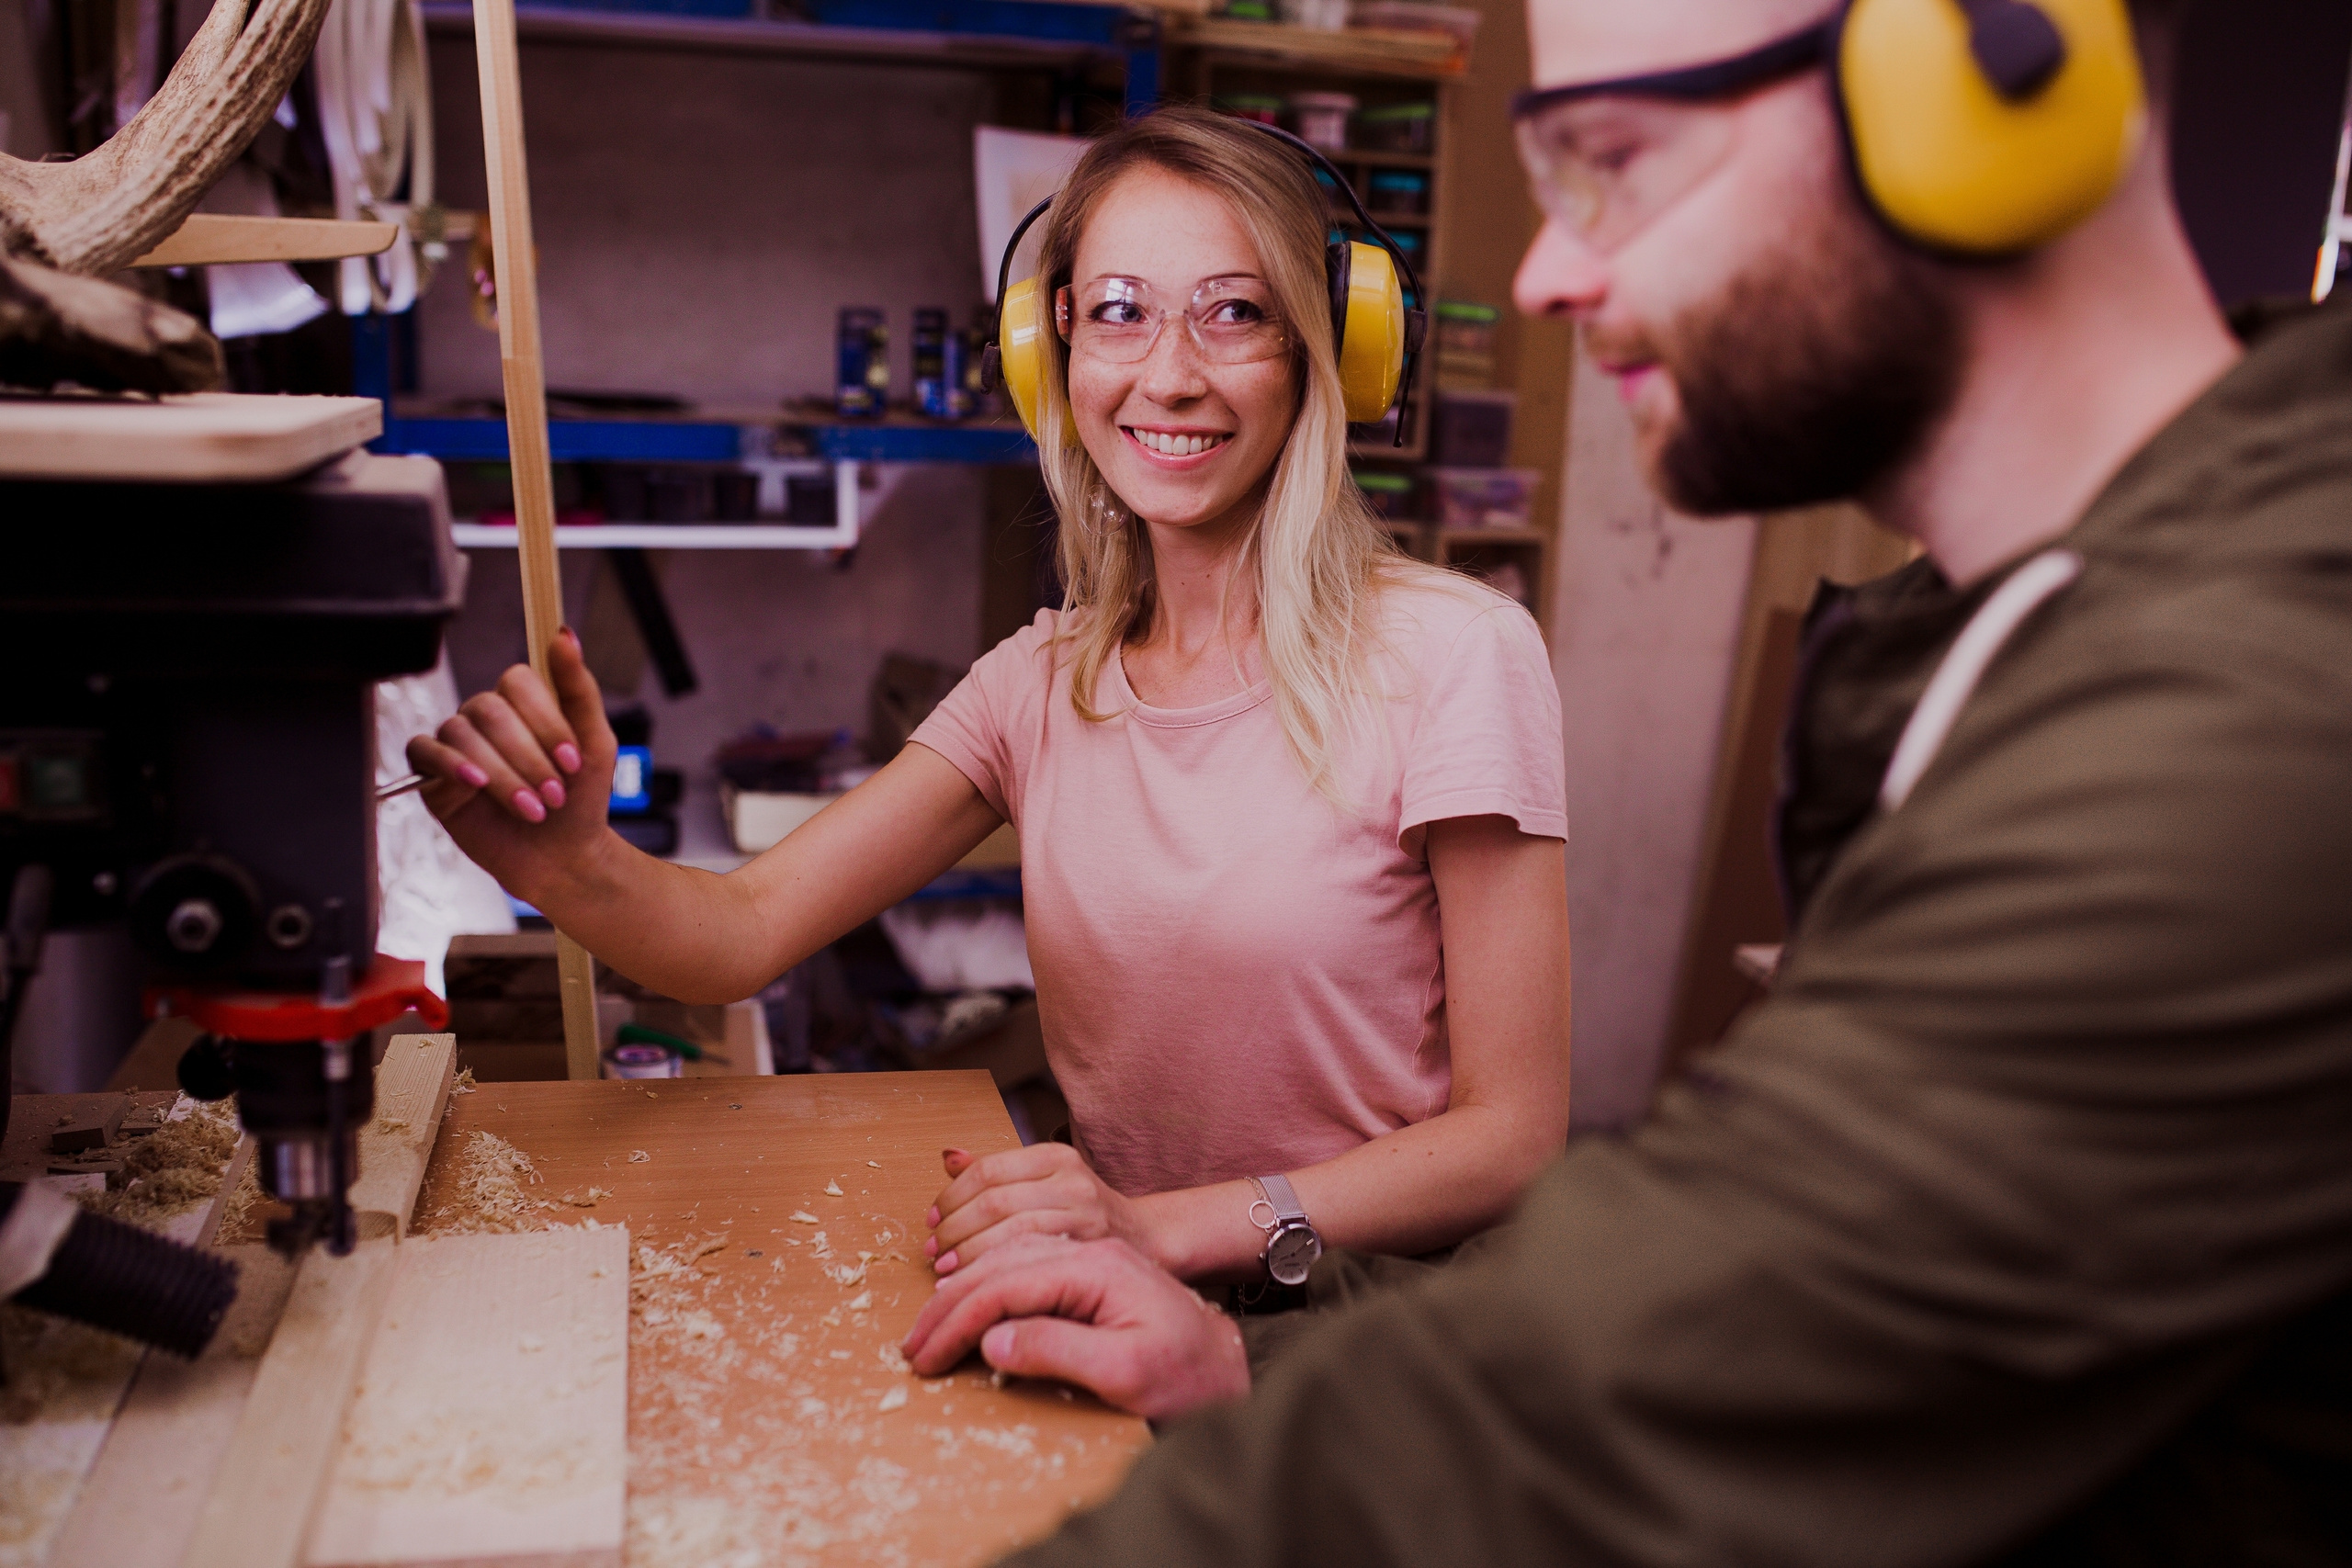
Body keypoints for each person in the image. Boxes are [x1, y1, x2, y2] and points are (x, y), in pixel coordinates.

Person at [896, 0, 2352, 1558]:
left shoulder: (2247, 712)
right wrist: (1242, 1352)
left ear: (1989, 89)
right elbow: (1776, 1310)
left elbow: (1657, 1395)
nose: (1547, 274)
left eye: (1616, 161)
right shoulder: (2027, 632)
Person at [405, 106, 1570, 1292]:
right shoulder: (1039, 682)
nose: (1169, 375)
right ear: (1049, 349)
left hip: (1370, 1328)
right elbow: (740, 932)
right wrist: (567, 864)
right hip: (1118, 1281)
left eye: (1235, 312)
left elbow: (1511, 1138)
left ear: (1331, 344)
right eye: (1118, 311)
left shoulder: (1457, 655)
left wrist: (1172, 1230)